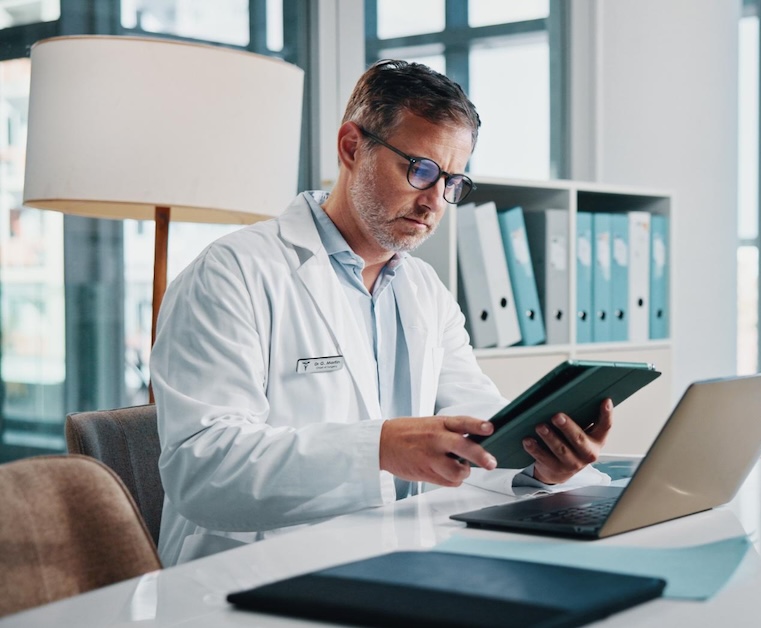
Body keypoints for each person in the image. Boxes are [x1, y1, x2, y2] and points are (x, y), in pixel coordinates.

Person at [150, 60, 611, 567]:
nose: (435, 201)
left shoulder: (423, 289)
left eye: (453, 181)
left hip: (397, 556)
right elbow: (204, 472)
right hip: (247, 575)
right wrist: (379, 448)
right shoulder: (233, 272)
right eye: (421, 170)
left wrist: (541, 462)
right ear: (352, 147)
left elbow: (480, 426)